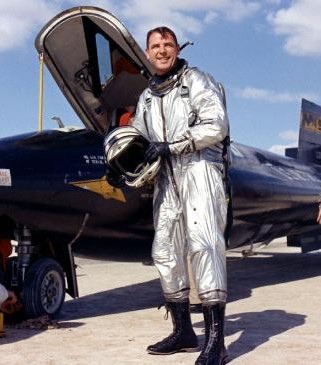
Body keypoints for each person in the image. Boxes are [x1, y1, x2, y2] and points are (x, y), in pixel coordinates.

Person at [106, 26, 230, 365]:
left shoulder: (197, 81)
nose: (162, 51)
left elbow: (216, 125)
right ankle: (184, 331)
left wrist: (172, 145)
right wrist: (121, 167)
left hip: (200, 170)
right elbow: (140, 140)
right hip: (166, 180)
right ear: (147, 53)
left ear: (177, 48)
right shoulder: (147, 98)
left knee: (205, 247)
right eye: (155, 46)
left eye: (167, 45)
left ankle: (216, 342)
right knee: (166, 252)